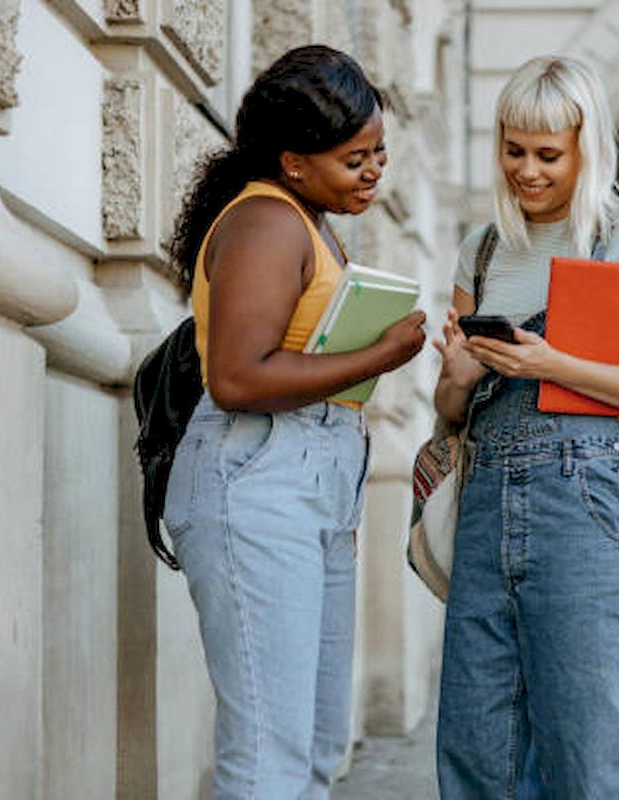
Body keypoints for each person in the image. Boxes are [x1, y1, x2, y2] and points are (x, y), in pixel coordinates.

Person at [432, 55, 619, 799]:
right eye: (513, 150)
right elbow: (450, 413)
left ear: (588, 149)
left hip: (585, 502)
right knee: (476, 751)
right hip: (487, 499)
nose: (527, 170)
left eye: (547, 154)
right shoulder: (481, 249)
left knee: (591, 754)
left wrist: (551, 363)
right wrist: (457, 377)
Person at [161, 45, 426, 799]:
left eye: (379, 153)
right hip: (258, 480)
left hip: (308, 480)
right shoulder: (268, 224)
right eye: (354, 159)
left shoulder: (306, 218)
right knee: (269, 757)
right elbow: (239, 378)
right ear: (294, 161)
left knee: (311, 750)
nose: (374, 171)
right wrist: (378, 355)